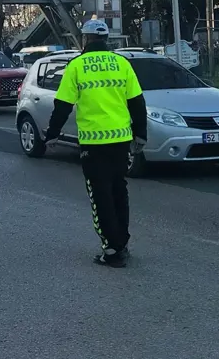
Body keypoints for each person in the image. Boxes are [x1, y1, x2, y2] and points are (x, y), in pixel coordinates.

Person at [45, 19, 147, 268]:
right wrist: (140, 134)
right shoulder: (121, 63)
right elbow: (137, 102)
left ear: (85, 39)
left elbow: (63, 105)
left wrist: (53, 133)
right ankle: (122, 243)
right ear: (106, 39)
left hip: (94, 142)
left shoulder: (77, 66)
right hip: (121, 140)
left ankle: (112, 250)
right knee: (119, 191)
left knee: (100, 195)